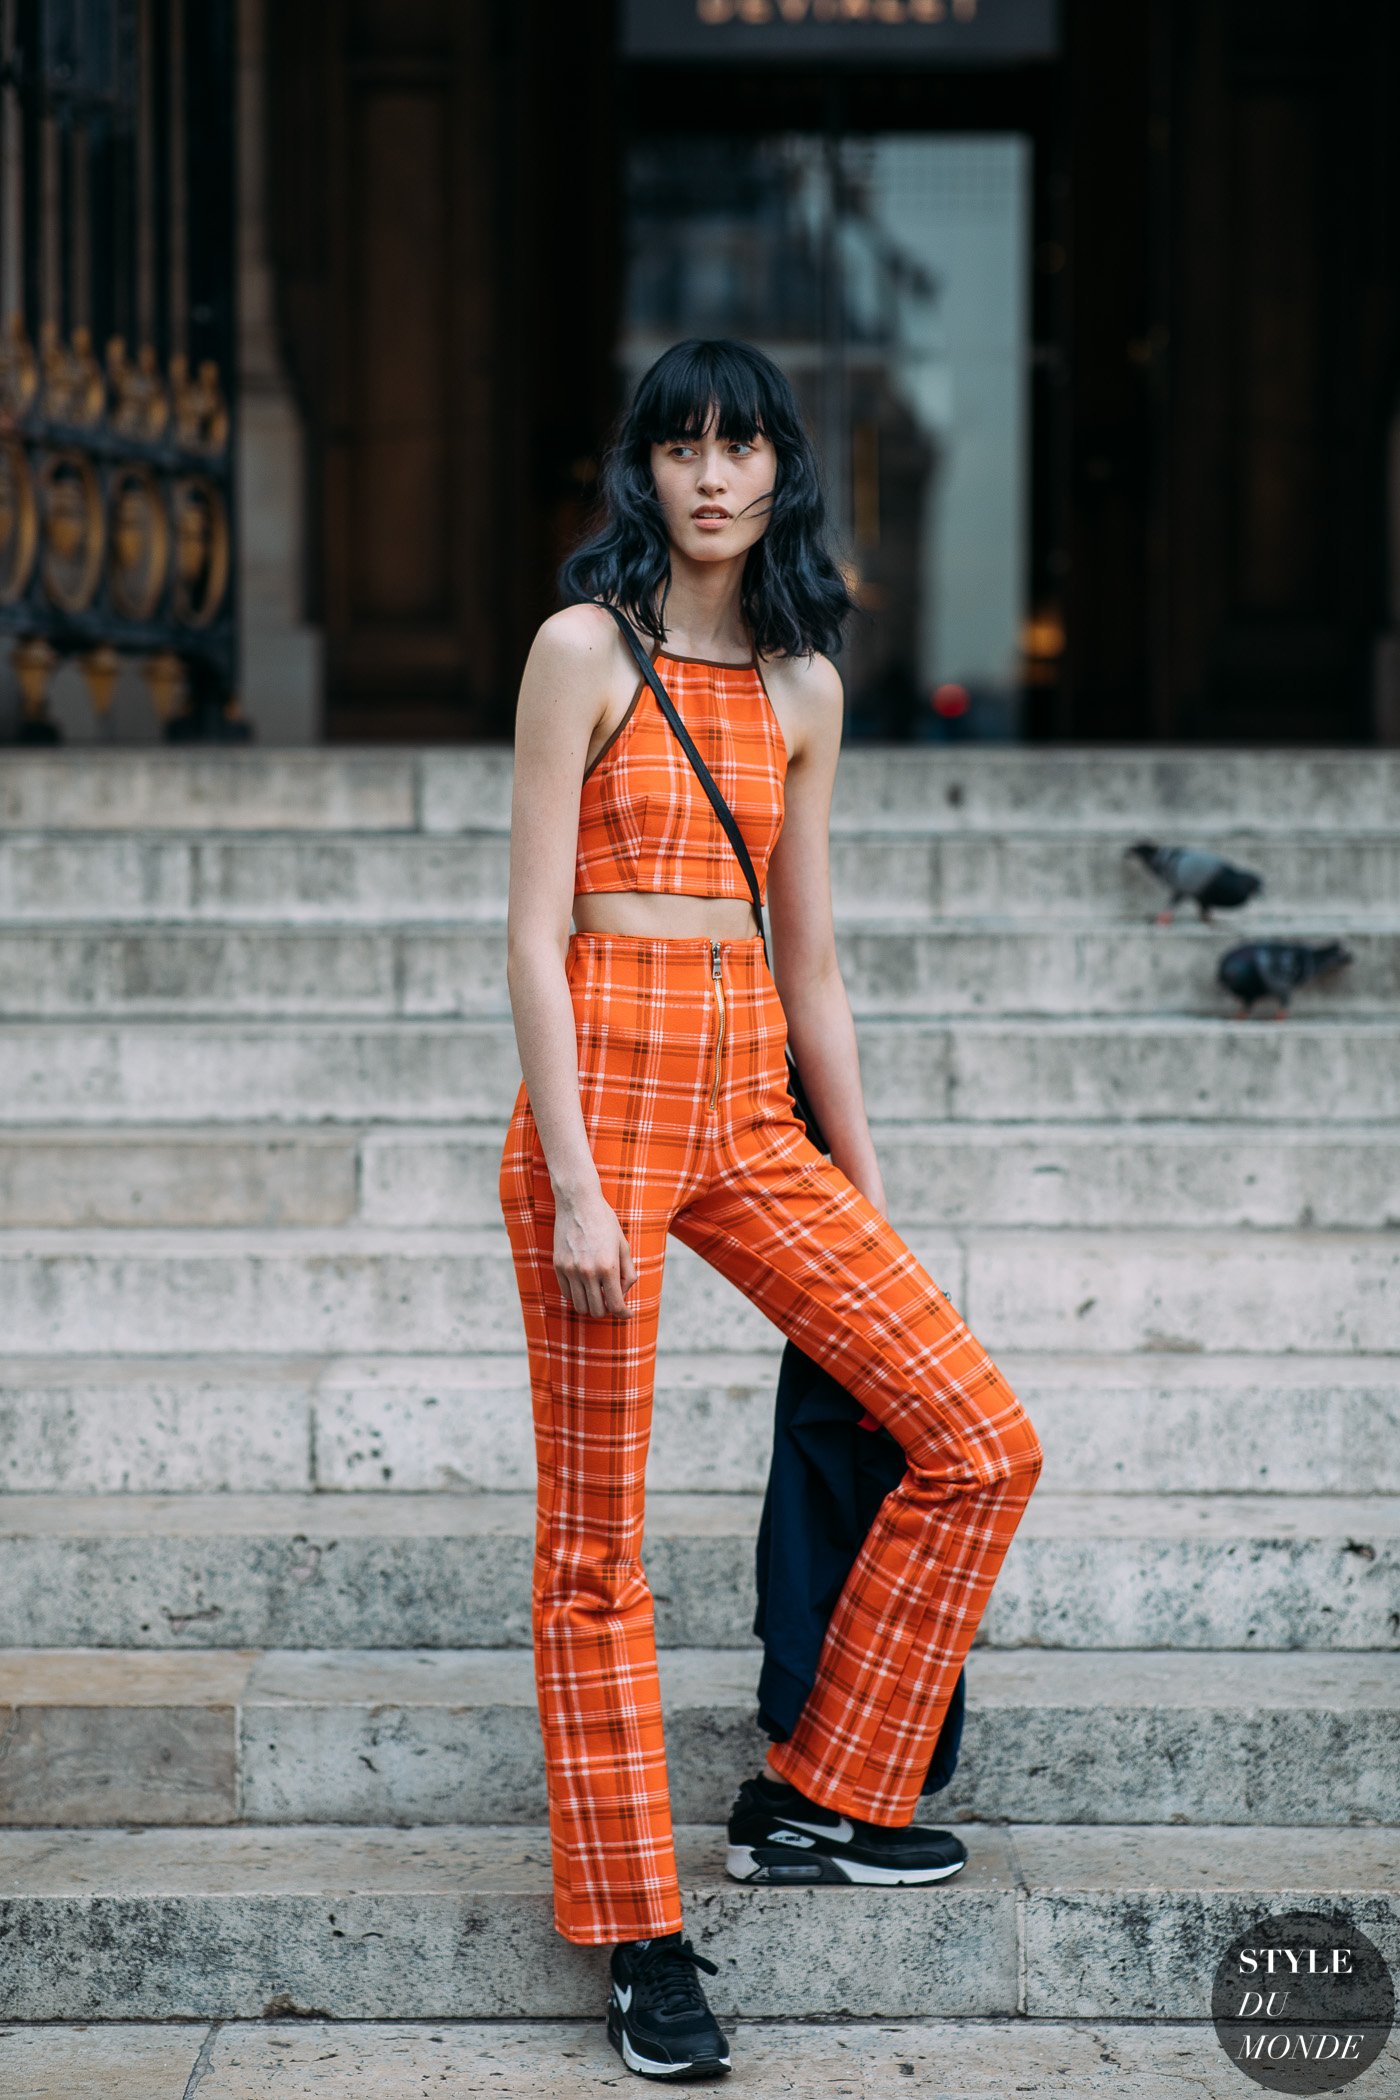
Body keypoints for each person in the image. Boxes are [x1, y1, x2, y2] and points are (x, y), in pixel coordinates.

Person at [497, 338, 1044, 2082]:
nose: (714, 477)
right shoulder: (582, 650)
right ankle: (644, 1936)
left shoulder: (804, 686)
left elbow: (811, 961)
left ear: (782, 472)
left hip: (747, 1106)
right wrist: (579, 1178)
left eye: (743, 448)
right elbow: (526, 928)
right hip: (602, 1102)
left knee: (977, 1434)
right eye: (683, 447)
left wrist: (867, 1205)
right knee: (598, 1549)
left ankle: (824, 1787)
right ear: (644, 470)